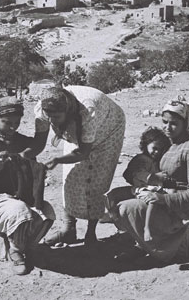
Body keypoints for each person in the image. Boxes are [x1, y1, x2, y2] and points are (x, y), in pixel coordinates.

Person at [109, 96, 189, 263]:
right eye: (164, 122)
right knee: (114, 198)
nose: (167, 127)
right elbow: (134, 171)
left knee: (126, 208)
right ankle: (142, 243)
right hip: (155, 194)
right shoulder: (164, 143)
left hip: (175, 206)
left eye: (174, 123)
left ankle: (171, 247)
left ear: (186, 123)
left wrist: (163, 198)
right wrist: (142, 175)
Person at [24, 85, 126, 246]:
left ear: (67, 112)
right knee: (70, 179)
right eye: (49, 116)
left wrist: (58, 160)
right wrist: (21, 157)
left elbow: (83, 153)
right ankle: (69, 230)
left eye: (56, 117)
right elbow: (38, 143)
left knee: (97, 181)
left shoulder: (87, 111)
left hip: (108, 129)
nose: (51, 121)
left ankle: (90, 233)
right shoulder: (43, 109)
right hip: (79, 130)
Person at [0, 97, 54, 275]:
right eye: (7, 122)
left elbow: (36, 149)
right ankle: (15, 251)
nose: (13, 127)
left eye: (17, 122)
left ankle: (29, 247)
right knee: (19, 209)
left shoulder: (22, 142)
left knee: (46, 212)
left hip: (18, 197)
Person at [122, 127, 176, 242]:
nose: (156, 152)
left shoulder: (154, 160)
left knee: (172, 193)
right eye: (154, 148)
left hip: (153, 187)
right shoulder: (141, 159)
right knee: (153, 199)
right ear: (146, 144)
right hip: (142, 188)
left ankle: (176, 220)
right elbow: (137, 174)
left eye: (160, 150)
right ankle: (147, 228)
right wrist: (154, 177)